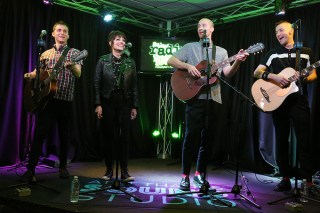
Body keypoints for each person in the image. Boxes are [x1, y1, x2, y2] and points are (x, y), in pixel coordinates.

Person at [167, 18, 248, 191]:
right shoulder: (190, 47)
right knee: (190, 137)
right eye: (198, 26)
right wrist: (188, 66)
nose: (200, 28)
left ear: (212, 29)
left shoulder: (221, 52)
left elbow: (228, 73)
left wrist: (238, 61)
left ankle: (199, 174)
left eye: (204, 25)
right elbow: (171, 60)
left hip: (214, 100)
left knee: (208, 140)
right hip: (195, 99)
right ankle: (184, 177)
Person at [253, 20, 317, 193]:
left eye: (281, 30)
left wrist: (304, 77)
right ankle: (285, 178)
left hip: (299, 101)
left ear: (291, 31)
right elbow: (257, 72)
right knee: (281, 141)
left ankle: (308, 182)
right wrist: (273, 77)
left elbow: (313, 74)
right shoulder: (273, 53)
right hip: (279, 104)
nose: (278, 34)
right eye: (275, 32)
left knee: (305, 141)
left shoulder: (306, 52)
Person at [23, 20, 82, 182]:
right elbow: (39, 72)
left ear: (68, 35)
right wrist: (30, 75)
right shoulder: (45, 53)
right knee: (39, 134)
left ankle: (63, 167)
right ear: (53, 33)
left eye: (65, 31)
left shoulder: (75, 52)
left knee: (65, 135)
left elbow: (78, 73)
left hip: (65, 101)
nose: (62, 33)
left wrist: (72, 66)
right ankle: (30, 170)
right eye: (59, 30)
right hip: (46, 100)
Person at [94, 30, 139, 183]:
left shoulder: (130, 61)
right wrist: (98, 104)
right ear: (110, 43)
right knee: (108, 137)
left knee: (124, 137)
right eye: (118, 39)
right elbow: (96, 84)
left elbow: (134, 86)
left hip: (125, 102)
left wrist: (135, 106)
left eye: (123, 39)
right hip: (108, 102)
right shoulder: (103, 60)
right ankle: (109, 169)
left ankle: (124, 171)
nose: (121, 42)